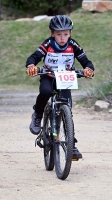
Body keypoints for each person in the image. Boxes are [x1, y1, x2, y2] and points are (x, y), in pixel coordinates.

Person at [25, 15, 95, 159]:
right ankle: (38, 114)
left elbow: (86, 61)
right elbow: (34, 57)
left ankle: (71, 144)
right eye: (58, 34)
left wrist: (88, 69)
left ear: (70, 33)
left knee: (67, 107)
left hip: (65, 78)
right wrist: (31, 65)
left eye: (66, 34)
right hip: (49, 76)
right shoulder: (48, 44)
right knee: (45, 92)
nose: (62, 38)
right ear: (52, 34)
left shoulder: (74, 45)